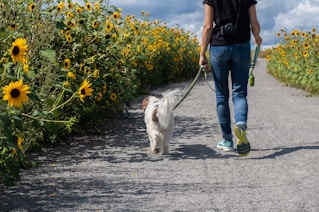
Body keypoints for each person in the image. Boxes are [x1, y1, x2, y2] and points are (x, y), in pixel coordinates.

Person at [199, 0, 262, 156]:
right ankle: (240, 123)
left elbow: (207, 27)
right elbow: (254, 23)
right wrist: (257, 37)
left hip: (219, 47)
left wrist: (202, 53)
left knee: (221, 95)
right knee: (239, 93)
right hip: (241, 46)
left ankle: (227, 140)